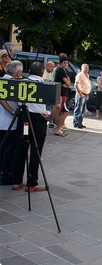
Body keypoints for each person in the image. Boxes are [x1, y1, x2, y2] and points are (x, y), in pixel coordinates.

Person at [12, 61, 57, 192]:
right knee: (36, 150)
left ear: (29, 71)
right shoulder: (44, 85)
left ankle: (16, 181)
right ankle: (31, 183)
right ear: (43, 72)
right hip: (38, 119)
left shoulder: (22, 83)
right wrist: (50, 117)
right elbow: (57, 106)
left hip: (23, 116)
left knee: (20, 149)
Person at [0, 60, 23, 186]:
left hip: (2, 121)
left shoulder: (1, 80)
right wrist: (14, 112)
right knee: (8, 151)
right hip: (10, 122)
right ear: (18, 72)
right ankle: (7, 175)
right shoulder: (13, 83)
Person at [53, 55, 70, 137]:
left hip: (60, 93)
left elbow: (67, 83)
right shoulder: (61, 71)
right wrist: (67, 84)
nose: (66, 64)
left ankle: (58, 129)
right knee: (65, 112)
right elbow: (68, 83)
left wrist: (67, 84)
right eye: (64, 63)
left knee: (60, 113)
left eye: (67, 63)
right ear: (60, 63)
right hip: (61, 94)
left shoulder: (61, 70)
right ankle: (57, 129)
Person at [73, 63, 91, 129]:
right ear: (81, 68)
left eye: (87, 68)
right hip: (81, 94)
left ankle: (80, 123)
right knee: (78, 109)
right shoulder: (80, 75)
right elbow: (76, 84)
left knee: (82, 110)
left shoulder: (87, 75)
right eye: (85, 68)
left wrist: (87, 94)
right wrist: (80, 94)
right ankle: (76, 123)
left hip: (85, 94)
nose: (86, 69)